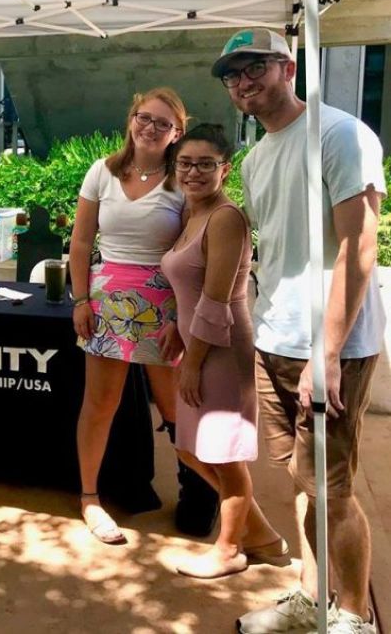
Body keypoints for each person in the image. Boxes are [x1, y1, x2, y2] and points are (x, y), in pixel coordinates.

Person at [211, 29, 386, 634]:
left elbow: (360, 245)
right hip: (274, 340)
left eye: (254, 67)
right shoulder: (258, 157)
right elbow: (275, 251)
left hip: (328, 347)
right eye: (232, 75)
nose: (243, 82)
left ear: (288, 67)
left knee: (332, 489)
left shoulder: (339, 134)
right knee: (301, 481)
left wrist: (329, 352)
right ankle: (312, 599)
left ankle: (355, 617)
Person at [69, 87, 219, 544]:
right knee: (100, 406)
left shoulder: (183, 181)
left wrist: (182, 316)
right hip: (107, 300)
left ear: (177, 133)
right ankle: (90, 498)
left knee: (177, 408)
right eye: (143, 117)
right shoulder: (102, 172)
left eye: (163, 123)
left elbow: (196, 250)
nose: (150, 128)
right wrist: (80, 300)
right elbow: (80, 242)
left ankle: (200, 493)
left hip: (166, 303)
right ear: (130, 120)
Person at [160, 124, 286, 578]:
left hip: (220, 349)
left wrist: (192, 364)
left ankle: (229, 550)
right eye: (185, 164)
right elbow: (190, 287)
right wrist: (177, 326)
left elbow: (216, 302)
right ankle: (262, 534)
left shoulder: (225, 218)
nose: (193, 172)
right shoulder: (190, 213)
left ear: (225, 168)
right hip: (196, 343)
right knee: (191, 449)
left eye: (205, 164)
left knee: (223, 455)